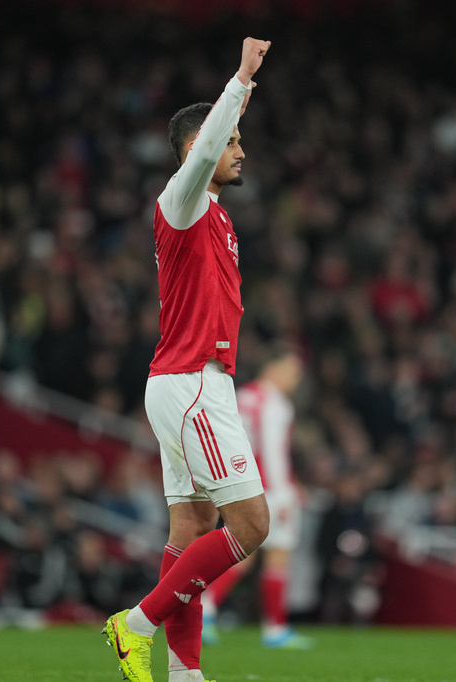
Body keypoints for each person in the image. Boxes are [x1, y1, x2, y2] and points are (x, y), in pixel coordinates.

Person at [103, 37, 272, 682]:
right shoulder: (182, 201)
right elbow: (204, 150)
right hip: (192, 385)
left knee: (191, 531)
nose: (240, 150)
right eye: (232, 141)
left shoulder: (218, 216)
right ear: (204, 142)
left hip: (192, 383)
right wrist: (241, 80)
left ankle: (185, 675)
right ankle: (135, 624)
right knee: (252, 524)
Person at [200, 343, 313, 649]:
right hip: (267, 490)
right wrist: (283, 492)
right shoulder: (274, 404)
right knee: (275, 556)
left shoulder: (242, 395)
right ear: (273, 367)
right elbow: (272, 453)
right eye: (292, 370)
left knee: (242, 555)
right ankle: (273, 630)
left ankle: (207, 610)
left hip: (238, 484)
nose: (296, 377)